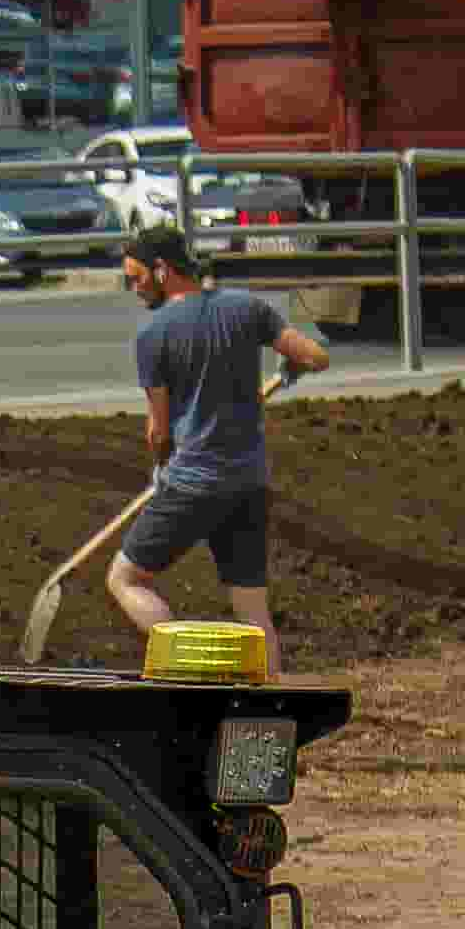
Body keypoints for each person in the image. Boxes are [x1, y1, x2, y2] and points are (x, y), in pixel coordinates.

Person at [108, 223, 328, 650]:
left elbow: (159, 429)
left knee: (124, 579)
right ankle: (271, 700)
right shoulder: (246, 308)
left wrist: (159, 470)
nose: (134, 289)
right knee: (253, 612)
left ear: (161, 270)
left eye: (136, 278)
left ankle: (191, 660)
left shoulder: (153, 336)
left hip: (193, 482)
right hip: (248, 484)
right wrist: (290, 370)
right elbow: (315, 356)